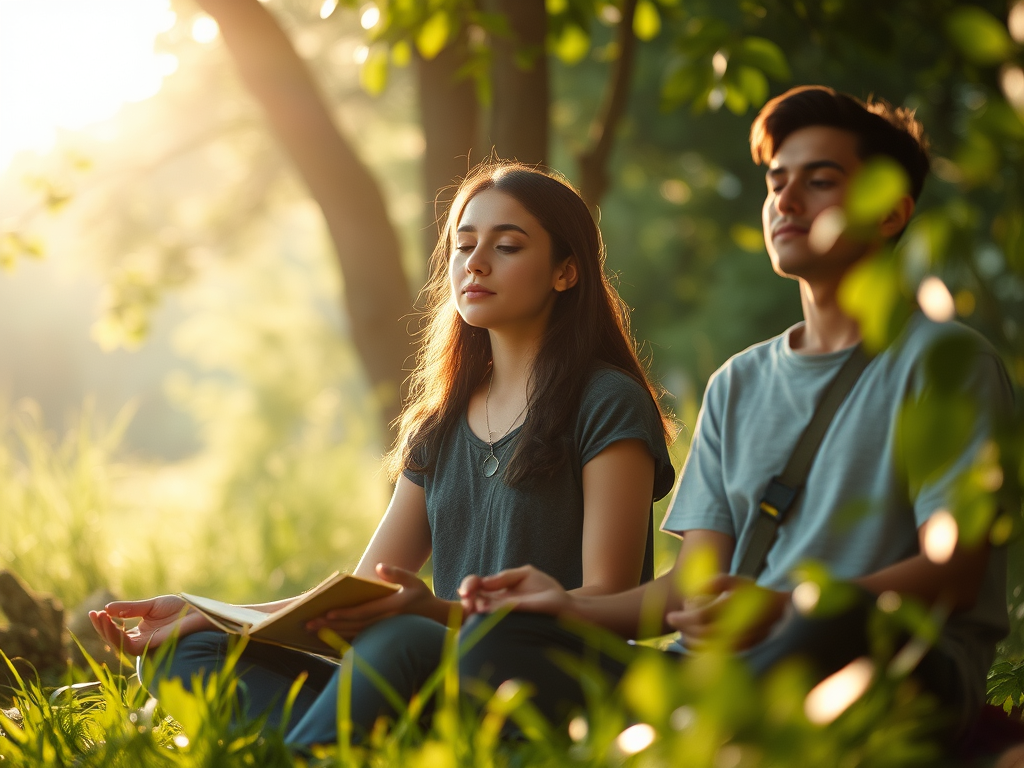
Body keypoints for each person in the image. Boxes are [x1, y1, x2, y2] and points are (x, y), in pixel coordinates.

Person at [457, 86, 1013, 742]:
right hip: (723, 672)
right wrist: (565, 606)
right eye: (776, 181)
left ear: (891, 213)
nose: (787, 199)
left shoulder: (946, 362)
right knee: (511, 642)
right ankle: (696, 729)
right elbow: (692, 590)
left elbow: (956, 568)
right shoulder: (737, 383)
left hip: (891, 662)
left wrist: (783, 608)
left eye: (821, 180)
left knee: (822, 621)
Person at [89, 161, 675, 744]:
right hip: (424, 673)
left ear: (566, 271)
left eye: (508, 246)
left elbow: (610, 597)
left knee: (404, 639)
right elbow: (363, 591)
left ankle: (323, 749)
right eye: (463, 245)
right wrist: (210, 613)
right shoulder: (440, 421)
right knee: (185, 656)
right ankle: (352, 745)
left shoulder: (607, 401)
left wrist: (431, 617)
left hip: (537, 679)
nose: (475, 262)